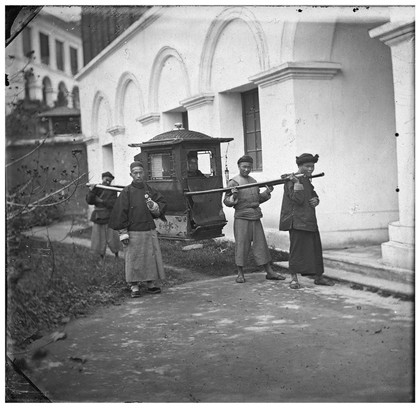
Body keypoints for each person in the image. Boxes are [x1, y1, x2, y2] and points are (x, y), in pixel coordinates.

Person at [223, 155, 286, 283]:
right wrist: (234, 196)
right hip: (242, 217)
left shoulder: (254, 181)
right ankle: (240, 273)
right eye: (244, 167)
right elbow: (226, 202)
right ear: (239, 167)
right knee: (242, 245)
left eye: (249, 167)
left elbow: (257, 199)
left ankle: (269, 272)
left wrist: (267, 192)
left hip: (255, 217)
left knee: (261, 245)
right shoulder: (233, 182)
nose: (246, 169)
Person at [108, 161, 167, 298]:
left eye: (141, 172)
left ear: (144, 173)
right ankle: (134, 286)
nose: (138, 175)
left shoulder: (149, 190)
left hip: (148, 229)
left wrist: (155, 207)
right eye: (135, 173)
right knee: (133, 258)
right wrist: (123, 232)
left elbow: (162, 203)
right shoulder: (126, 192)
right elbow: (120, 213)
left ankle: (151, 283)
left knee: (150, 257)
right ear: (131, 174)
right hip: (133, 231)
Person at [279, 153, 334, 289]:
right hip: (296, 221)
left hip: (309, 219)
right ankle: (294, 279)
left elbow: (312, 194)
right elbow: (297, 199)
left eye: (312, 166)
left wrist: (317, 199)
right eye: (307, 166)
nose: (310, 169)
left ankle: (318, 277)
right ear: (299, 166)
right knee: (297, 251)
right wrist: (296, 183)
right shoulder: (291, 180)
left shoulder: (306, 179)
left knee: (315, 249)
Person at [86, 171, 121, 260]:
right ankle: (101, 257)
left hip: (109, 217)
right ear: (102, 179)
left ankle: (116, 255)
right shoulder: (97, 188)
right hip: (98, 217)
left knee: (113, 238)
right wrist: (91, 191)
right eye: (106, 180)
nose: (108, 182)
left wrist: (101, 201)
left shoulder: (113, 190)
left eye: (110, 181)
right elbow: (90, 201)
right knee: (99, 239)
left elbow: (113, 203)